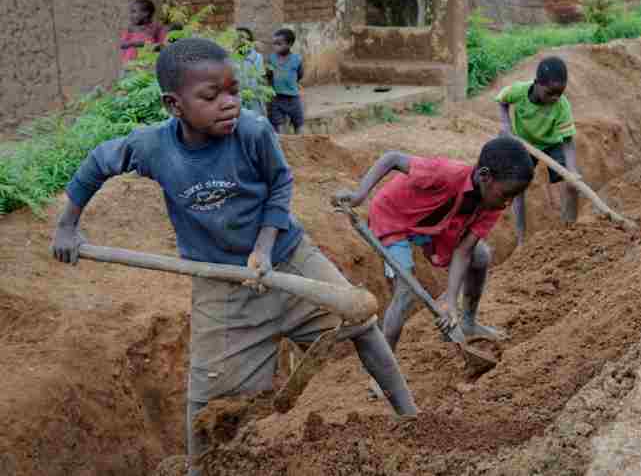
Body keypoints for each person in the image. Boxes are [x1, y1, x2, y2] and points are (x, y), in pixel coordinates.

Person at [51, 38, 417, 476]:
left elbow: (280, 185)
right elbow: (97, 163)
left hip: (289, 258)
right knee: (207, 399)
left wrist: (263, 247)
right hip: (222, 286)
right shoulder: (153, 148)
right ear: (175, 105)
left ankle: (411, 420)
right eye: (211, 96)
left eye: (234, 91)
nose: (228, 104)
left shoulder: (253, 131)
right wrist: (67, 226)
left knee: (361, 324)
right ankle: (197, 469)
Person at [333, 138, 534, 358]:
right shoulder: (446, 173)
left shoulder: (492, 204)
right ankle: (385, 365)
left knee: (481, 256)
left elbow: (464, 251)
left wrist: (451, 303)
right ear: (485, 176)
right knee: (406, 292)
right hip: (393, 217)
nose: (508, 203)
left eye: (513, 197)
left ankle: (468, 322)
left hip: (433, 225)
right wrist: (359, 195)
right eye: (506, 194)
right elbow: (392, 158)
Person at [496, 56, 579, 247]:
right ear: (537, 84)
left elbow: (568, 141)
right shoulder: (519, 91)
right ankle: (521, 240)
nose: (555, 98)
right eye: (551, 93)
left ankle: (571, 232)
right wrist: (506, 124)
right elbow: (501, 100)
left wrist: (572, 170)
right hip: (524, 144)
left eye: (560, 93)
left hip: (553, 144)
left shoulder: (562, 105)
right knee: (517, 188)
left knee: (572, 184)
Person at [267, 28, 305, 134]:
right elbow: (269, 75)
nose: (275, 46)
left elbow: (300, 74)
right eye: (274, 44)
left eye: (279, 44)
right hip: (277, 98)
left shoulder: (297, 59)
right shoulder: (272, 59)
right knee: (279, 127)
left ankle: (301, 146)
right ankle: (281, 148)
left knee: (299, 124)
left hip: (293, 98)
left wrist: (291, 83)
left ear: (289, 44)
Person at [120, 0, 167, 64]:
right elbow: (122, 44)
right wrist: (133, 43)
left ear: (145, 13)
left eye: (133, 12)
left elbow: (162, 46)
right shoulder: (130, 29)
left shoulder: (156, 28)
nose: (130, 15)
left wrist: (144, 44)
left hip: (148, 64)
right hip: (130, 65)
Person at [234, 26, 267, 116]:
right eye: (237, 38)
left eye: (242, 38)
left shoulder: (258, 57)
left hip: (254, 99)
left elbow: (261, 80)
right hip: (238, 98)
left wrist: (263, 103)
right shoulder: (231, 58)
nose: (239, 41)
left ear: (250, 40)